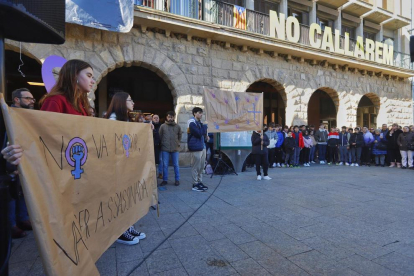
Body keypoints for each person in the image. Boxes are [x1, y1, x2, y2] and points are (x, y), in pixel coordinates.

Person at [105, 92, 147, 245]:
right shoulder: (113, 120)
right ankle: (119, 231)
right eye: (130, 100)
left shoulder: (126, 119)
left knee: (127, 198)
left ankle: (127, 226)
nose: (133, 102)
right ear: (121, 102)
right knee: (119, 199)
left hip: (125, 166)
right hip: (116, 168)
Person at [7, 88, 35, 238]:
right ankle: (11, 225)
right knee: (12, 193)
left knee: (23, 191)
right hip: (11, 160)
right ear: (16, 99)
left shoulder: (27, 116)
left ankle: (22, 218)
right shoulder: (8, 115)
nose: (31, 101)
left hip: (26, 158)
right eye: (28, 98)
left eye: (32, 99)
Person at [187, 107, 208, 192]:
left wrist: (206, 135)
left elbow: (202, 133)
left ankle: (199, 182)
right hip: (195, 147)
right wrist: (205, 126)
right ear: (194, 113)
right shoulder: (191, 122)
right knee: (195, 166)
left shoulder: (200, 123)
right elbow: (198, 133)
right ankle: (195, 184)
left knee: (202, 166)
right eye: (199, 113)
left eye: (201, 113)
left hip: (202, 146)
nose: (201, 114)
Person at [159, 111, 182, 186]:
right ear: (166, 117)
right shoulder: (162, 126)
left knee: (176, 165)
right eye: (169, 117)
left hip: (175, 148)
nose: (170, 118)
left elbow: (180, 135)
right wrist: (162, 143)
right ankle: (165, 180)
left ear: (174, 117)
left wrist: (177, 143)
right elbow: (160, 135)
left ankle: (177, 180)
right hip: (165, 148)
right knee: (165, 165)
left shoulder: (177, 126)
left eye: (171, 117)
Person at [152, 114, 163, 179]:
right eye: (154, 118)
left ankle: (160, 173)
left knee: (160, 160)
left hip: (160, 145)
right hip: (152, 145)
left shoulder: (162, 126)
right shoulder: (150, 126)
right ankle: (153, 173)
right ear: (152, 119)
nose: (156, 119)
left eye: (157, 118)